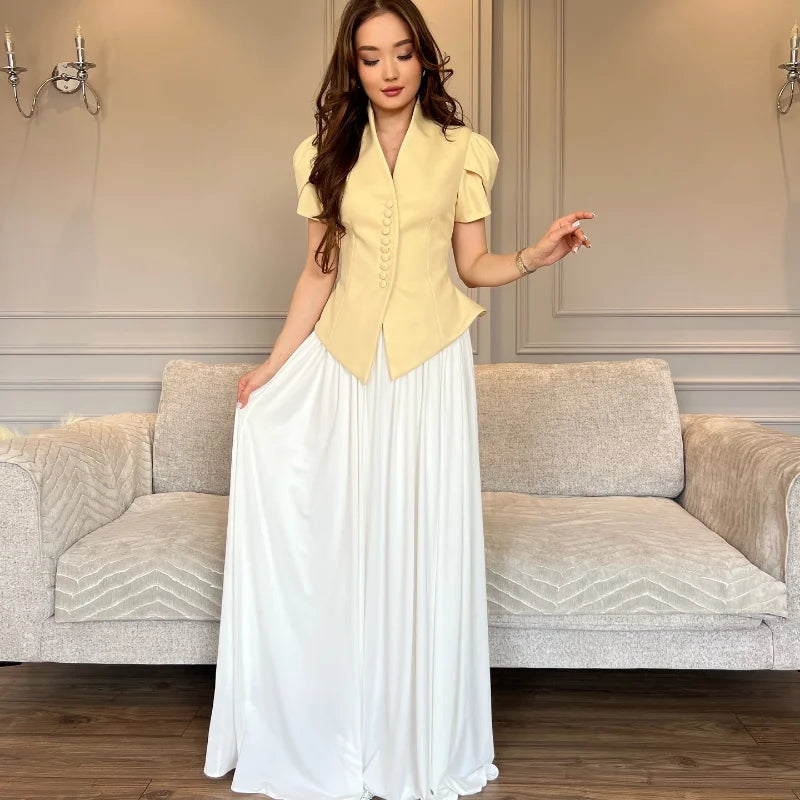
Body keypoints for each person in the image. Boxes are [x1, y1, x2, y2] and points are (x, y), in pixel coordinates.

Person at [203, 1, 594, 798]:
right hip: (344, 369)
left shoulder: (463, 151)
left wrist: (536, 256)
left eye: (403, 53)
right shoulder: (321, 153)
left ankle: (412, 738)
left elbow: (472, 265)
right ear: (353, 65)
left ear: (424, 61)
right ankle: (341, 729)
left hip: (427, 367)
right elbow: (320, 270)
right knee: (346, 541)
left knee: (418, 538)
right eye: (372, 56)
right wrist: (274, 366)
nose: (388, 70)